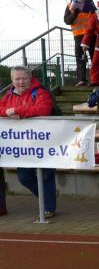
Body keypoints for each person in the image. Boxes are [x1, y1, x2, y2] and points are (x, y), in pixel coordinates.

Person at [0, 66, 57, 217]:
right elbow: (1, 108)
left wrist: (17, 111)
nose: (21, 82)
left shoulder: (41, 92)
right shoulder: (9, 94)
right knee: (24, 177)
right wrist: (7, 112)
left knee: (46, 175)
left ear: (30, 78)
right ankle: (47, 197)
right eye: (17, 79)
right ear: (12, 80)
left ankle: (49, 207)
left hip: (44, 142)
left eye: (24, 78)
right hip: (22, 145)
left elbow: (42, 109)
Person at [63, 0, 96, 86]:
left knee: (94, 57)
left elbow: (96, 17)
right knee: (80, 58)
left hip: (91, 34)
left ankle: (95, 80)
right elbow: (67, 21)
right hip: (79, 35)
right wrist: (76, 12)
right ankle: (81, 80)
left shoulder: (91, 5)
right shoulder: (70, 5)